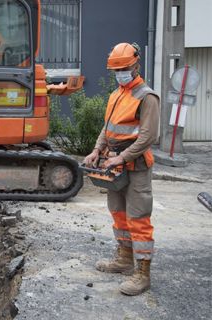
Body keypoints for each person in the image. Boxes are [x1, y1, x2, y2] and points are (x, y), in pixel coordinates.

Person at [84, 42, 160, 296]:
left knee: (138, 219)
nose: (120, 74)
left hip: (135, 167)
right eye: (117, 70)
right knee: (118, 213)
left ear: (136, 65)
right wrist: (97, 150)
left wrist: (122, 157)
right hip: (116, 165)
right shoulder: (116, 94)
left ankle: (142, 273)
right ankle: (125, 259)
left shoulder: (146, 97)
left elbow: (148, 137)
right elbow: (107, 128)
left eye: (124, 69)